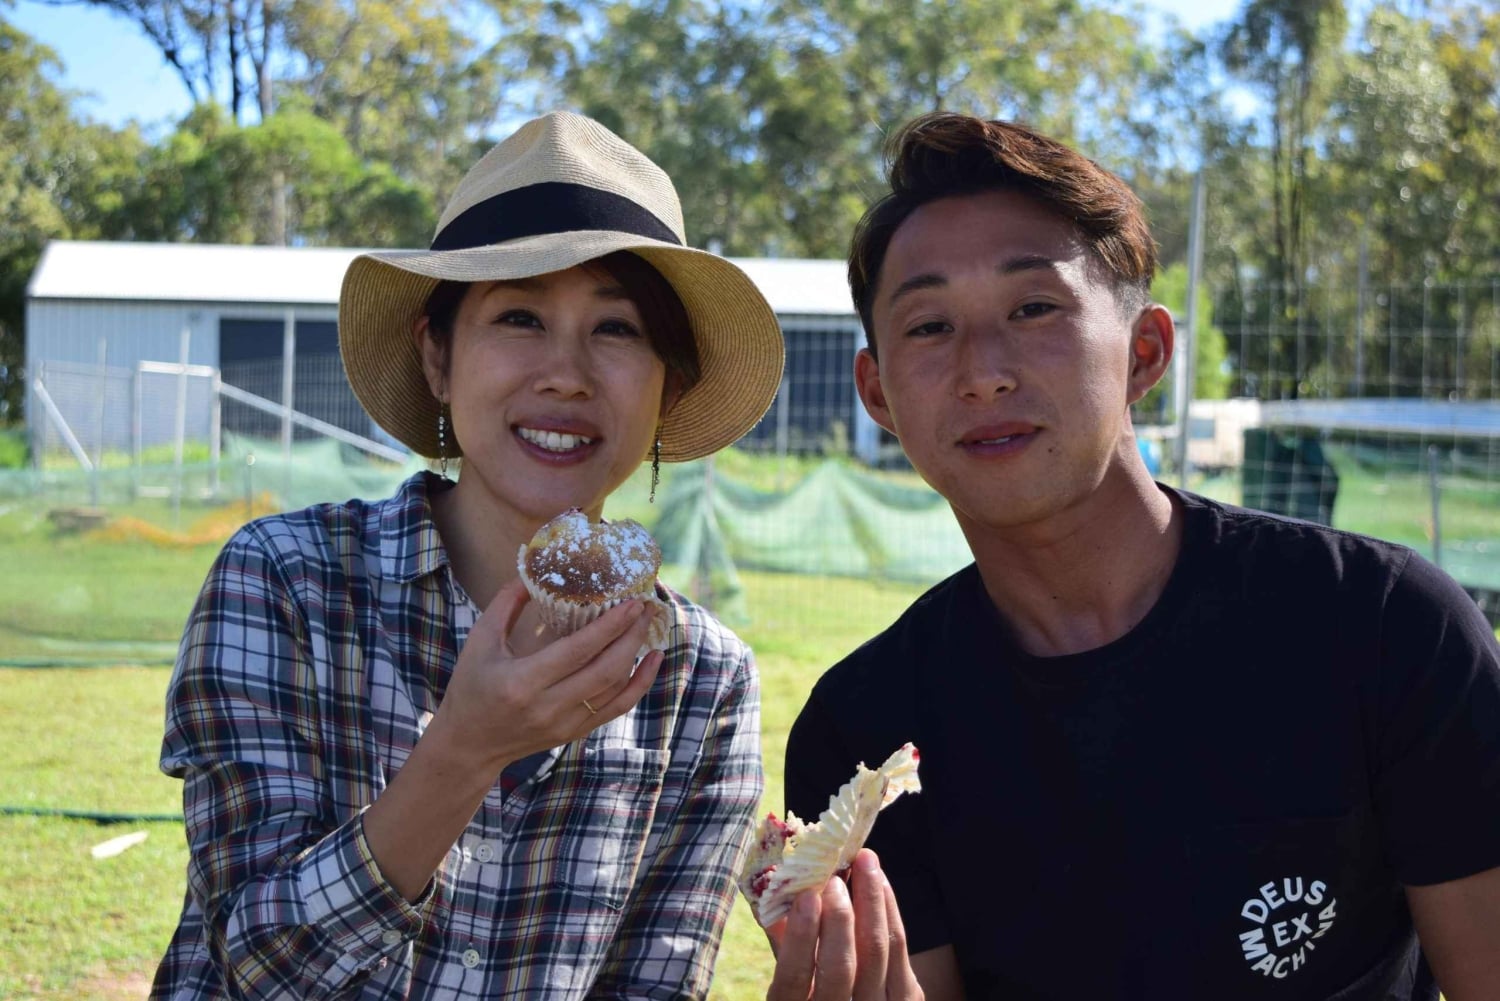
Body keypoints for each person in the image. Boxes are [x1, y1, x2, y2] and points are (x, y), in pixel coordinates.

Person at [769, 111, 1500, 1000]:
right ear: (878, 392)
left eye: (1033, 307)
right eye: (929, 326)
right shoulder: (866, 733)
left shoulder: (1384, 627)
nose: (983, 371)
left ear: (1145, 352)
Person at [151, 110, 786, 1000]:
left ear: (667, 391)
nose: (565, 373)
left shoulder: (700, 684)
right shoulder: (287, 579)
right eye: (520, 316)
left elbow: (654, 983)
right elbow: (255, 961)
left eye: (617, 329)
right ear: (438, 358)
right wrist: (462, 751)